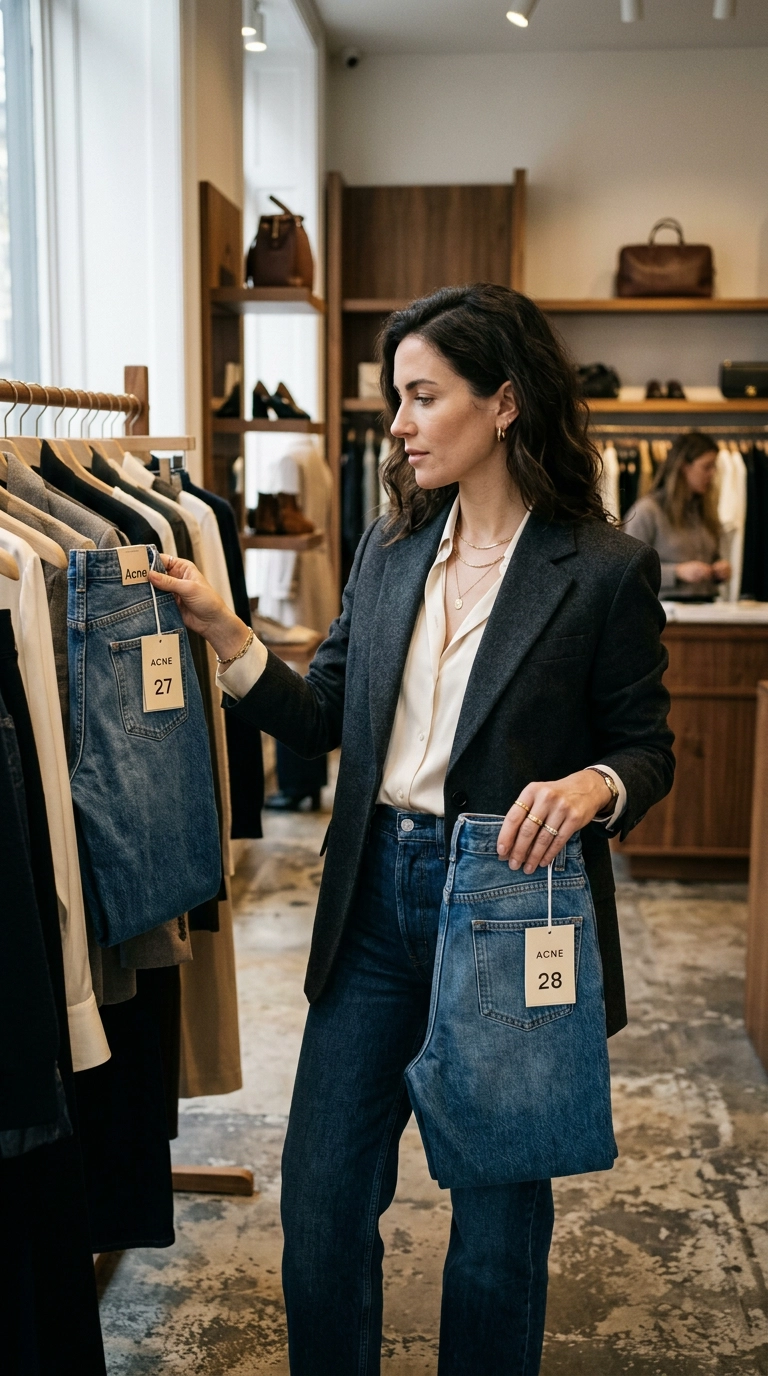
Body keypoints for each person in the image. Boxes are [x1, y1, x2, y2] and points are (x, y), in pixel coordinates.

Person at [149, 283, 674, 1376]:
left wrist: (593, 786)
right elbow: (325, 713)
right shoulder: (393, 547)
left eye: (423, 395)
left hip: (507, 906)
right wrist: (229, 632)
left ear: (504, 403)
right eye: (399, 396)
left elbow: (647, 745)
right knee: (325, 1204)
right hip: (374, 901)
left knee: (494, 1229)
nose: (397, 422)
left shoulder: (604, 569)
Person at [623, 431, 730, 601]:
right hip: (667, 613)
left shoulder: (703, 510)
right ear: (684, 467)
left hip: (707, 607)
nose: (713, 474)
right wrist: (677, 572)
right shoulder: (648, 511)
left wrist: (718, 568)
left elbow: (712, 555)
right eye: (707, 467)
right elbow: (627, 569)